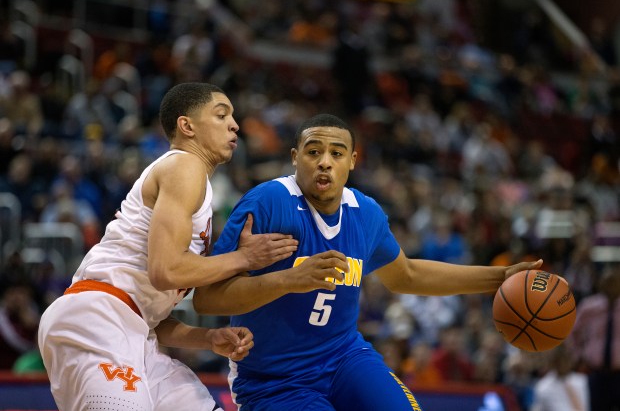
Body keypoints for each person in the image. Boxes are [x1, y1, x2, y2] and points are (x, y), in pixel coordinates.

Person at [193, 113, 543, 411]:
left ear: (353, 161)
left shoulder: (367, 213)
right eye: (313, 151)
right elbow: (208, 298)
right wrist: (289, 281)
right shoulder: (269, 202)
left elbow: (406, 274)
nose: (324, 161)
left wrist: (499, 277)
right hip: (274, 377)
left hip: (345, 358)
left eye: (336, 152)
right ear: (295, 158)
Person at [37, 82, 298, 411]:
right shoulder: (184, 166)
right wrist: (243, 257)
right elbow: (165, 271)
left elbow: (151, 314)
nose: (234, 124)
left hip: (134, 329)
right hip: (97, 318)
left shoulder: (194, 186)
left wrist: (206, 338)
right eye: (221, 115)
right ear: (187, 126)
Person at [569, 262, 620, 411]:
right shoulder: (589, 306)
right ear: (601, 283)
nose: (611, 285)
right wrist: (578, 355)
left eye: (614, 281)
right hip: (595, 371)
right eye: (607, 281)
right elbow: (573, 332)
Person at [530, 343, 589, 411]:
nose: (562, 363)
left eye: (565, 357)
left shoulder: (582, 380)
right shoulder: (543, 387)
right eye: (559, 359)